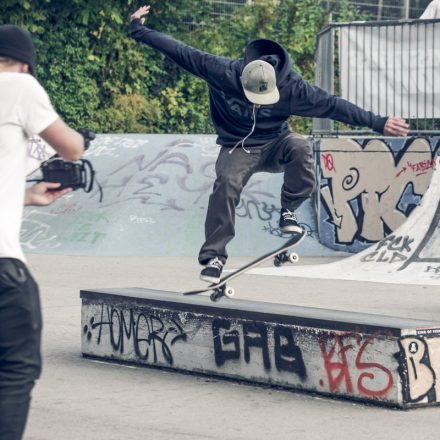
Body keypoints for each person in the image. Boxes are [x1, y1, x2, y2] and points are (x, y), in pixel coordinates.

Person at [129, 5, 409, 283]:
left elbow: (333, 106)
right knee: (226, 183)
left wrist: (378, 122)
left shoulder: (294, 88)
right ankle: (214, 256)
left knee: (300, 145)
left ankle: (289, 209)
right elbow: (179, 50)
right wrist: (139, 30)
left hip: (276, 143)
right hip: (237, 146)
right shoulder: (221, 71)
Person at [0, 24, 86, 440]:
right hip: (2, 267)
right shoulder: (18, 85)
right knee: (16, 368)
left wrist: (27, 196)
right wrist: (76, 141)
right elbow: (71, 147)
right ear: (24, 64)